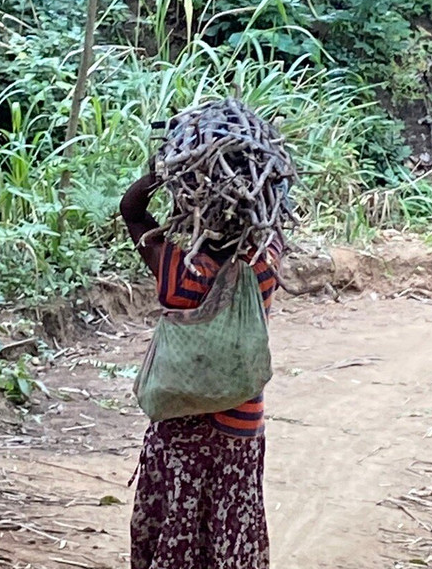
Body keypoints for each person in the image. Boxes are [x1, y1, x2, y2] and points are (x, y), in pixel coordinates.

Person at [120, 171, 282, 569]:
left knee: (175, 523)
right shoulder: (263, 270)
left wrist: (163, 170)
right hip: (239, 428)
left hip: (178, 424)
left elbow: (132, 210)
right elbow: (275, 224)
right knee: (230, 530)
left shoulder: (176, 272)